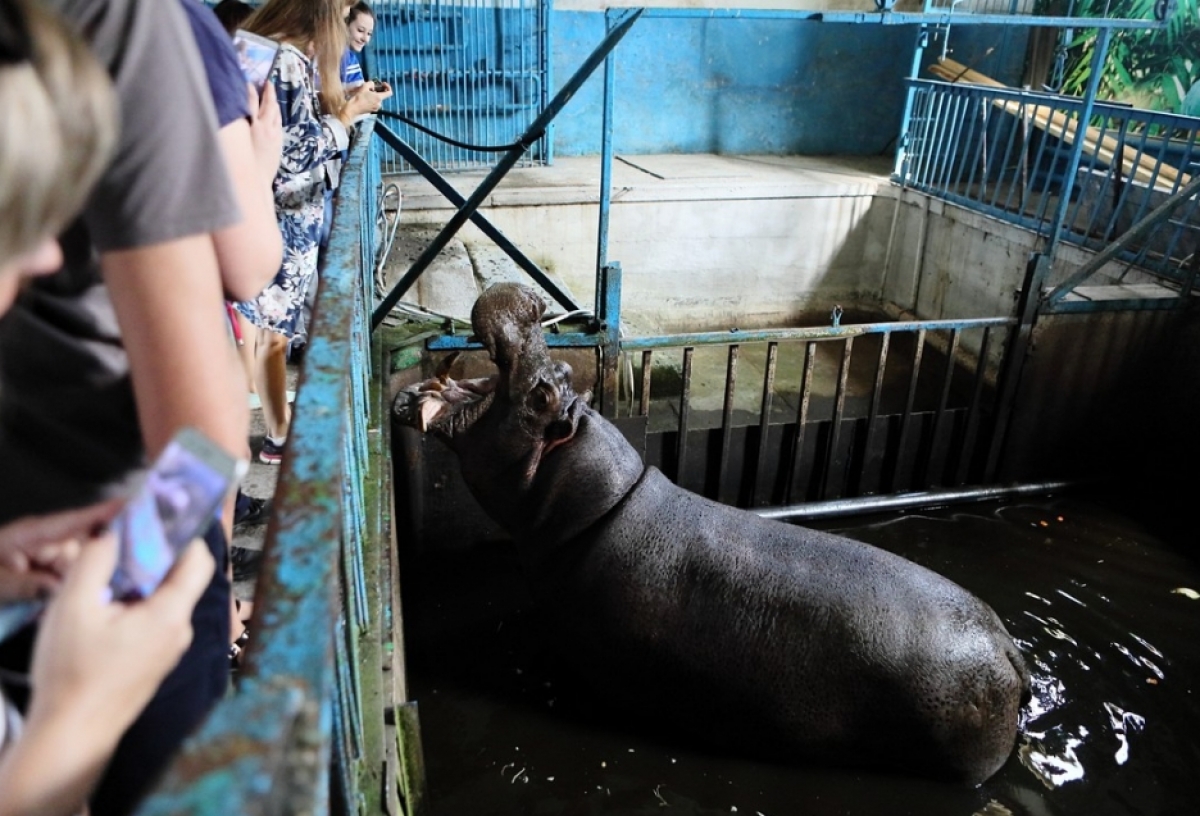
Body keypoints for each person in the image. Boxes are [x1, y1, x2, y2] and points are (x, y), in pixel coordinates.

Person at [0, 0, 252, 811]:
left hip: (105, 537)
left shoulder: (113, 18)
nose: (47, 253)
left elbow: (201, 438)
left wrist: (145, 589)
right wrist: (74, 724)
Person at [236, 0, 391, 465]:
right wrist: (347, 115)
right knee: (272, 333)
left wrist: (343, 99)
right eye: (344, 10)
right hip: (283, 216)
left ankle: (275, 432)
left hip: (271, 215)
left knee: (268, 332)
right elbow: (289, 154)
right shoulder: (284, 58)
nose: (347, 22)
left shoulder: (261, 48)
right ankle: (277, 437)